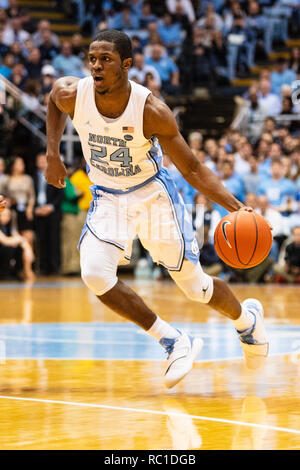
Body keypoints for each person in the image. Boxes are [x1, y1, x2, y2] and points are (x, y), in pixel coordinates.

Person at [45, 30, 269, 389]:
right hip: (108, 196)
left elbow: (193, 169)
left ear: (127, 65)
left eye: (106, 59)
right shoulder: (73, 93)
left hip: (152, 196)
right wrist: (52, 153)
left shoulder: (151, 110)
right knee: (95, 273)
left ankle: (247, 321)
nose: (96, 65)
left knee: (194, 287)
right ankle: (172, 340)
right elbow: (54, 103)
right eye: (92, 58)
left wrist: (239, 208)